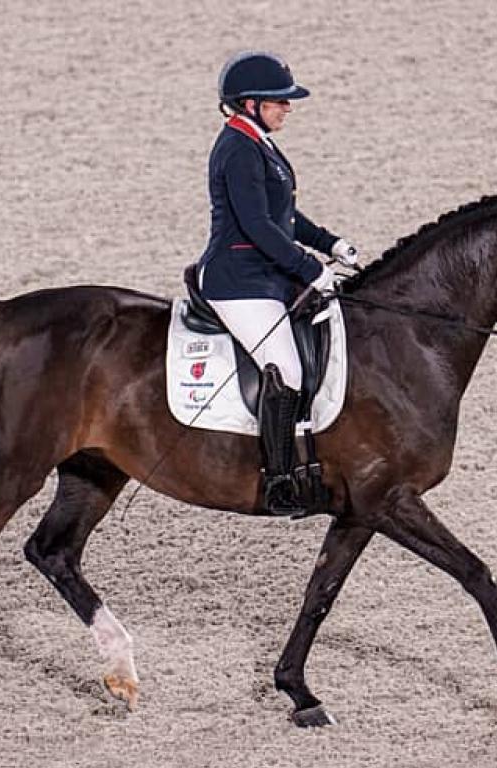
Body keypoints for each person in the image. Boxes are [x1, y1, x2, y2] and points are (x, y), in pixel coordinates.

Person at [196, 50, 358, 514]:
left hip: (262, 275)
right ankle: (278, 479)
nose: (288, 107)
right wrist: (309, 267)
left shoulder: (258, 142)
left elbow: (282, 214)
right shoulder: (236, 148)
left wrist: (331, 242)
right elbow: (257, 225)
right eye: (278, 100)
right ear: (249, 104)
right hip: (237, 280)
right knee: (285, 369)